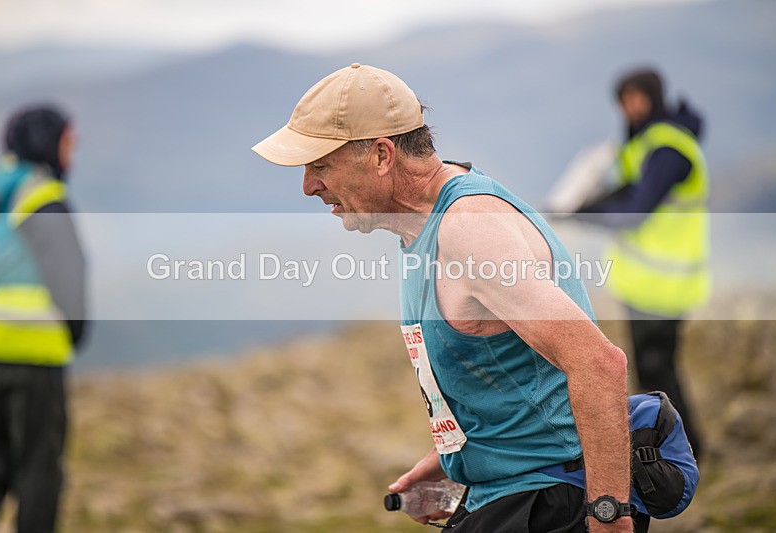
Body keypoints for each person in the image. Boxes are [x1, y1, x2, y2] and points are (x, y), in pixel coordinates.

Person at [253, 64, 648, 532]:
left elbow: (599, 364)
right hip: (508, 495)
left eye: (320, 165)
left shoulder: (469, 230)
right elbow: (511, 371)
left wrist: (608, 517)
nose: (308, 186)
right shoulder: (420, 227)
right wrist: (454, 457)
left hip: (549, 503)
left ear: (382, 156)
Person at [574, 68, 709, 460]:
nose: (630, 107)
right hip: (644, 282)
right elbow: (627, 191)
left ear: (655, 96)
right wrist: (580, 207)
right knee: (651, 371)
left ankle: (686, 450)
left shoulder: (668, 148)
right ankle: (672, 449)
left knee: (658, 368)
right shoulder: (644, 143)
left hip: (669, 282)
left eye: (637, 97)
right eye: (623, 100)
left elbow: (636, 209)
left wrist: (587, 216)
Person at [0, 105, 87, 532]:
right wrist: (72, 335)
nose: (71, 156)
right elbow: (69, 279)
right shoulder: (44, 198)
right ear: (50, 143)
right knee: (40, 469)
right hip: (34, 353)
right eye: (68, 144)